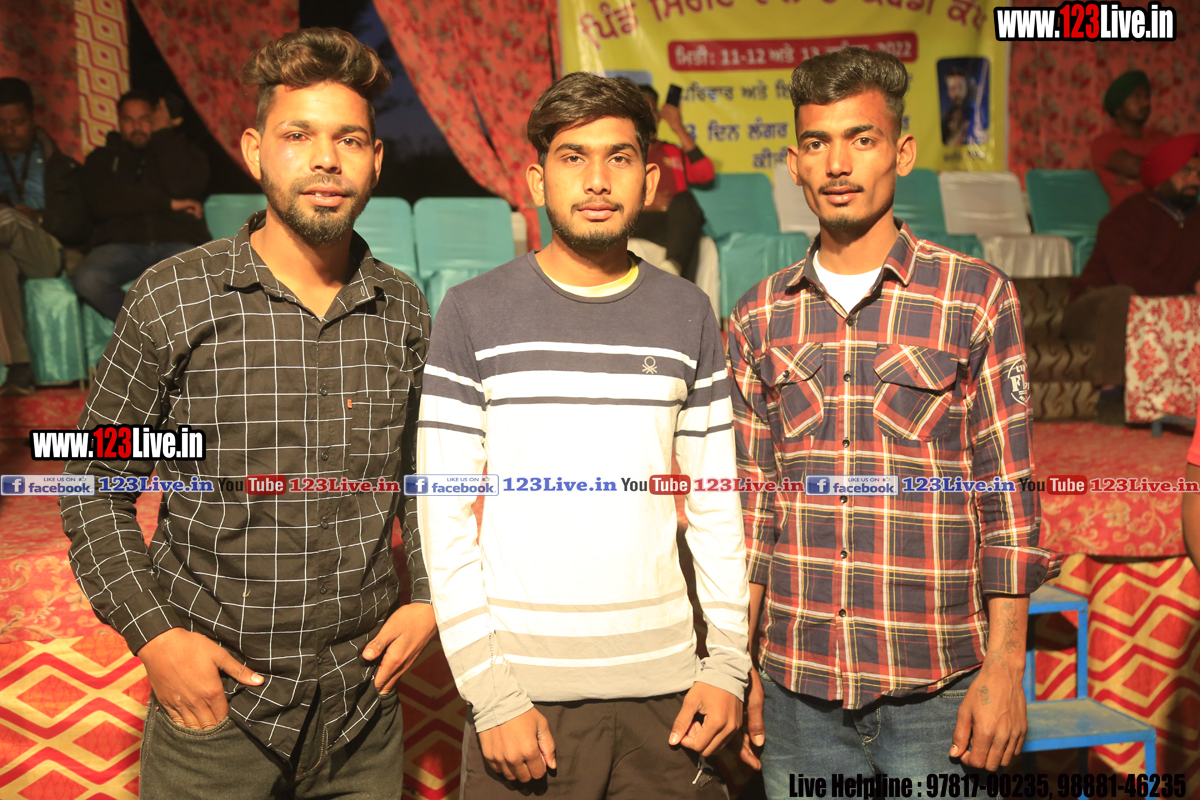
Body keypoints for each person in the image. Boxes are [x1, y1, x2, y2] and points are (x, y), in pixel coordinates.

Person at [61, 28, 434, 799]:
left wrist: (429, 596)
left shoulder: (401, 307)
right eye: (298, 136)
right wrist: (155, 637)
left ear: (374, 160)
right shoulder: (172, 297)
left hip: (361, 707)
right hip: (216, 712)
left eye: (349, 139)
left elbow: (421, 476)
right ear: (255, 149)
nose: (326, 159)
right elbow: (95, 482)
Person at [727, 48, 1060, 798]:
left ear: (902, 153)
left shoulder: (974, 298)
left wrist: (1006, 666)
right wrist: (738, 667)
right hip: (797, 691)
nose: (838, 163)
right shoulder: (757, 317)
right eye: (817, 143)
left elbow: (1008, 501)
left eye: (862, 139)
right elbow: (754, 515)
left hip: (938, 688)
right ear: (795, 164)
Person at [418, 72, 750, 799]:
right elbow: (443, 516)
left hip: (669, 699)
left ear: (650, 181)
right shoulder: (471, 312)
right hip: (522, 704)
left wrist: (728, 664)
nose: (597, 180)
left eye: (618, 158)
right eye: (573, 157)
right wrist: (491, 693)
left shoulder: (688, 312)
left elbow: (717, 504)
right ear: (537, 180)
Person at [1064, 133, 1200, 425]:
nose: (1195, 180)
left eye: (1198, 174)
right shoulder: (1129, 214)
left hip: (1160, 313)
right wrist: (1179, 302)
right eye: (1186, 172)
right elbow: (1130, 276)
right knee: (1123, 295)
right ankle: (1110, 395)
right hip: (1095, 310)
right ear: (1163, 175)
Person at [72, 89, 211, 321]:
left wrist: (163, 134)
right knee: (88, 279)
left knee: (200, 278)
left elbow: (185, 187)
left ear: (156, 119)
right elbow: (102, 202)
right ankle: (147, 333)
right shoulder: (102, 158)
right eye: (129, 120)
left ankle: (151, 339)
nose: (136, 126)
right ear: (119, 122)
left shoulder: (181, 152)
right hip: (120, 244)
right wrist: (168, 203)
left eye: (144, 119)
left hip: (177, 241)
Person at [0, 77, 89, 395]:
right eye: (2, 123)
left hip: (47, 251)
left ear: (33, 119)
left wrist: (38, 217)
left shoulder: (61, 166)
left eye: (18, 122)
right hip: (5, 251)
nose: (10, 130)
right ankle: (19, 369)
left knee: (6, 218)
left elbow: (80, 223)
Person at [628, 83, 713, 280]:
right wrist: (648, 204)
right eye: (642, 111)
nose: (649, 117)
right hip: (639, 221)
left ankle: (673, 268)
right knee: (690, 238)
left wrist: (677, 127)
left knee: (685, 200)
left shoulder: (672, 151)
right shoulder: (623, 152)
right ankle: (680, 285)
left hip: (673, 224)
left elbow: (705, 173)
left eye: (653, 111)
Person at [1091, 70, 1171, 209]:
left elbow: (1185, 169)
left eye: (1146, 97)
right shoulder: (1104, 142)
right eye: (1136, 98)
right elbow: (1135, 167)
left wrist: (1138, 178)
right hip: (1129, 215)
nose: (1145, 103)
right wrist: (1163, 170)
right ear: (1118, 108)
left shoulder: (1162, 137)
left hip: (1167, 213)